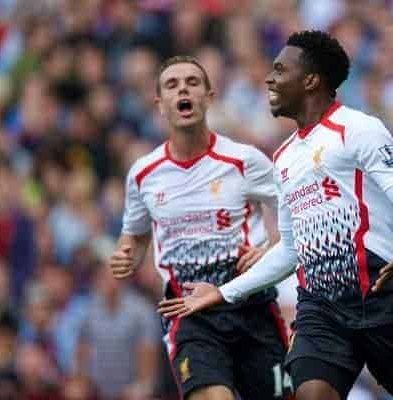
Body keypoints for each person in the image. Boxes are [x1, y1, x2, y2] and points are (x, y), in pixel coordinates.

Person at [159, 31, 393, 400]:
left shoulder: (358, 129)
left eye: (281, 70)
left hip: (384, 298)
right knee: (310, 393)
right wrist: (223, 293)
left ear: (311, 79)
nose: (270, 78)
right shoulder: (282, 158)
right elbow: (290, 251)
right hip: (322, 311)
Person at [109, 55, 292, 400]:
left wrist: (271, 248)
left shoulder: (244, 160)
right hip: (190, 313)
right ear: (160, 104)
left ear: (209, 97)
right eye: (172, 84)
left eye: (193, 82)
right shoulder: (144, 174)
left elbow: (292, 205)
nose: (183, 90)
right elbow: (133, 235)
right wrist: (126, 255)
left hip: (251, 306)